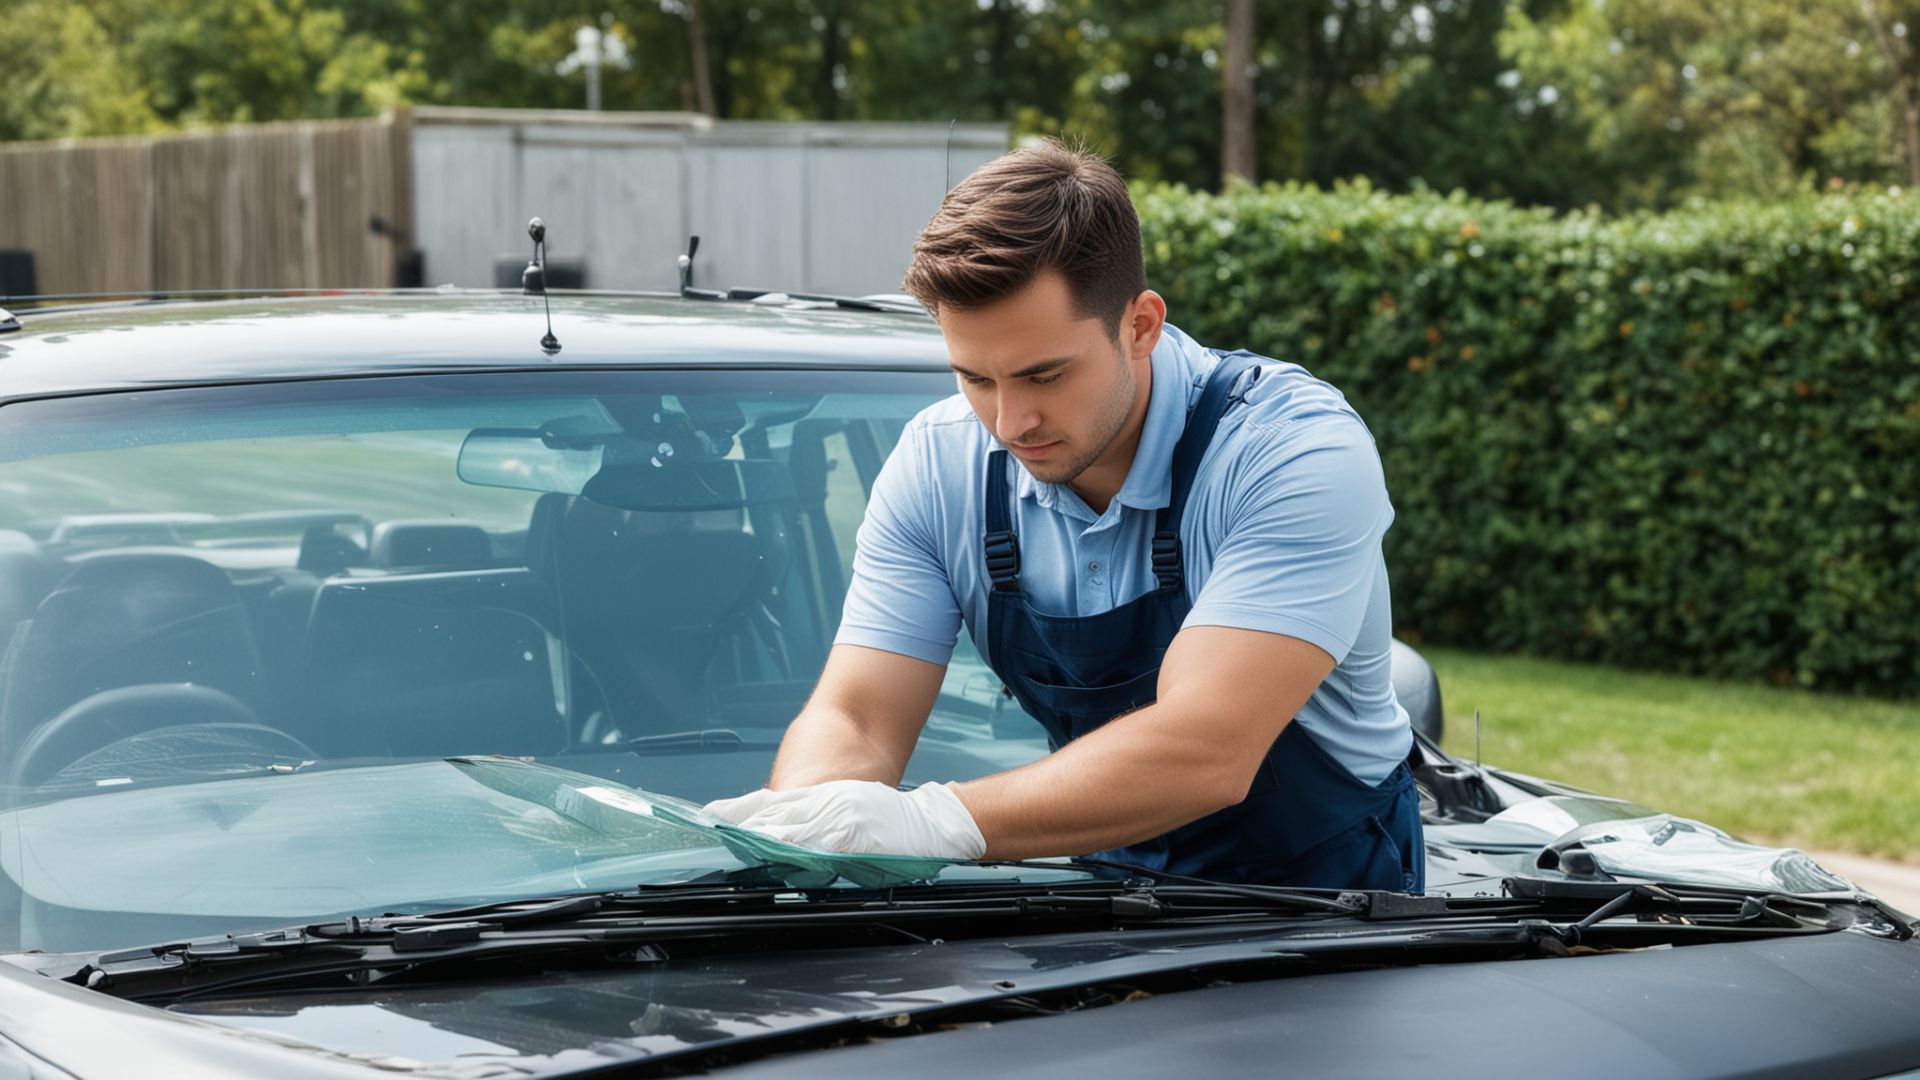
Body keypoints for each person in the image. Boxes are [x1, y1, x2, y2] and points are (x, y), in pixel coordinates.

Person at [706, 139, 1422, 890]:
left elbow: (1207, 747)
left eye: (1044, 375)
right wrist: (809, 822)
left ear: (1140, 326)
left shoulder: (1292, 453)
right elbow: (859, 717)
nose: (1009, 423)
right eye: (975, 379)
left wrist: (930, 822)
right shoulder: (938, 466)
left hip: (1332, 910)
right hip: (1096, 895)